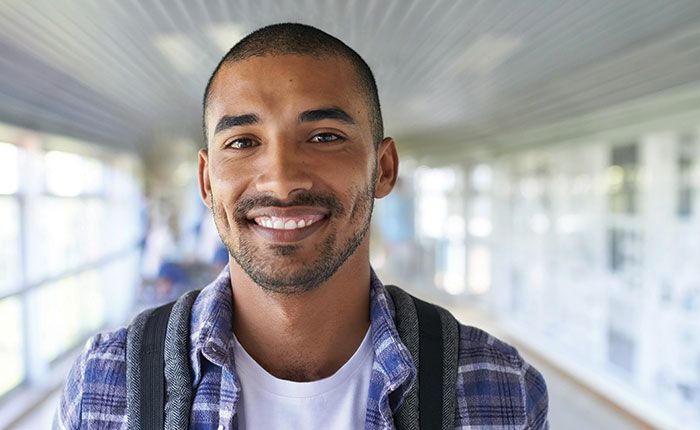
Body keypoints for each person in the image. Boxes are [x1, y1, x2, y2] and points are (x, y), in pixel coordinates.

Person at [54, 23, 548, 429]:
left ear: (384, 168)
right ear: (207, 181)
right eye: (243, 142)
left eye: (324, 136)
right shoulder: (107, 385)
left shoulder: (497, 390)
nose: (283, 181)